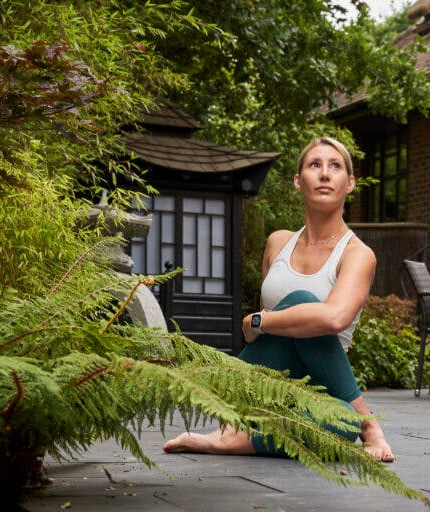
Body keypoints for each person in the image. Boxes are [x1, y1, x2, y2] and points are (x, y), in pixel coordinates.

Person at [163, 137, 394, 462]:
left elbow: (332, 319)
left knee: (342, 421)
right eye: (315, 165)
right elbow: (258, 339)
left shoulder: (357, 254)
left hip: (320, 391)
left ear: (350, 183)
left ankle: (234, 438)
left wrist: (260, 320)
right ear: (298, 181)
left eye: (335, 166)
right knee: (300, 301)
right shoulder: (277, 244)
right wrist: (260, 324)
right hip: (261, 385)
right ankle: (366, 429)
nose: (325, 174)